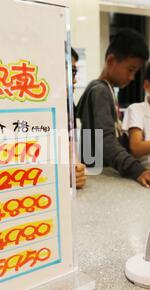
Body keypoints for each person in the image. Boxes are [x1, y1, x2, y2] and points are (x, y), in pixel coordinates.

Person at [76, 29, 150, 189]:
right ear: (111, 61)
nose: (132, 77)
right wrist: (138, 170)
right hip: (100, 176)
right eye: (130, 69)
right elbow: (105, 140)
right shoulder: (100, 90)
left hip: (103, 172)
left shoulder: (106, 89)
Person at [70, 47, 86, 189]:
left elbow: (71, 147)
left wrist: (76, 169)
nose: (74, 81)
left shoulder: (68, 105)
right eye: (71, 72)